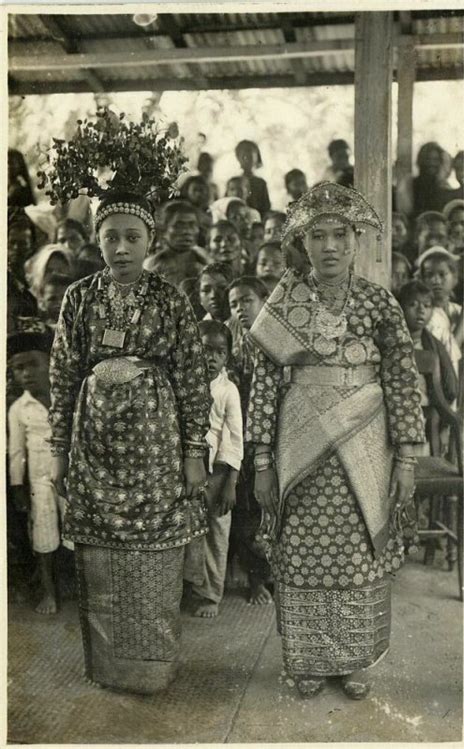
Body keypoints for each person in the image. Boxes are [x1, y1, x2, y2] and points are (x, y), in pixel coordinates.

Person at [44, 110, 211, 694]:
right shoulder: (79, 299)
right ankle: (110, 668)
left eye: (132, 237)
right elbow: (63, 374)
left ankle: (151, 668)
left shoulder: (170, 298)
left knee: (155, 553)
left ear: (151, 241)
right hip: (94, 446)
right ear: (97, 238)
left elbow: (193, 377)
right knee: (99, 555)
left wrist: (195, 452)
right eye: (110, 236)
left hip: (157, 448)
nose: (120, 248)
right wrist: (58, 451)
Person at [246, 182, 425, 700]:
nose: (329, 246)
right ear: (303, 243)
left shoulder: (378, 302)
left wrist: (407, 459)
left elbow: (400, 379)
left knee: (354, 554)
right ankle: (306, 659)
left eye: (339, 235)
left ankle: (352, 659)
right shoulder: (284, 304)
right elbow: (263, 383)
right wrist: (262, 460)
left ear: (356, 240)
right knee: (302, 552)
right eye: (318, 236)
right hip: (298, 444)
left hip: (365, 446)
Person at [184, 320, 243, 618]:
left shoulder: (228, 390)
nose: (212, 358)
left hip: (219, 472)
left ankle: (211, 596)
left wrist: (230, 482)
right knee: (188, 533)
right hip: (188, 469)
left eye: (220, 352)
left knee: (217, 534)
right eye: (206, 350)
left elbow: (234, 437)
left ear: (228, 357)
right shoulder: (183, 383)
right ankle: (191, 589)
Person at [8, 326, 62, 615]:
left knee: (79, 533)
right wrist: (18, 487)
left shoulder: (67, 396)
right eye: (18, 368)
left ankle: (84, 589)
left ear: (50, 363)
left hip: (72, 478)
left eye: (32, 365)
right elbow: (16, 452)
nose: (26, 373)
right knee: (42, 535)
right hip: (39, 482)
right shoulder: (19, 408)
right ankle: (49, 592)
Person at [227, 277, 273, 606]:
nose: (240, 308)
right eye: (234, 304)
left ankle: (279, 576)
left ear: (263, 300)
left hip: (276, 432)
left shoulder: (277, 337)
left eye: (246, 300)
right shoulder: (232, 340)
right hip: (245, 432)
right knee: (249, 508)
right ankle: (256, 579)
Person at [398, 280, 458, 453]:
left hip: (427, 416)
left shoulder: (434, 346)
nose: (421, 310)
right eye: (412, 304)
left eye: (426, 305)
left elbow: (450, 386)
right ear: (399, 307)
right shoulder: (391, 342)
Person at [417, 247, 463, 377]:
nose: (435, 280)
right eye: (429, 275)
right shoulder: (426, 314)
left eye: (442, 275)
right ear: (421, 279)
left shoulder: (456, 310)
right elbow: (449, 355)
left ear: (455, 279)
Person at [144, 200, 209, 286]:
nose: (186, 231)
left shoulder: (206, 262)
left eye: (192, 225)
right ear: (164, 231)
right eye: (179, 225)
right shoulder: (152, 266)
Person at [233, 140, 271, 217]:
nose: (246, 158)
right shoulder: (234, 182)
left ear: (257, 157)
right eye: (243, 155)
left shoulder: (260, 183)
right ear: (238, 158)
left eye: (250, 155)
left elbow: (266, 208)